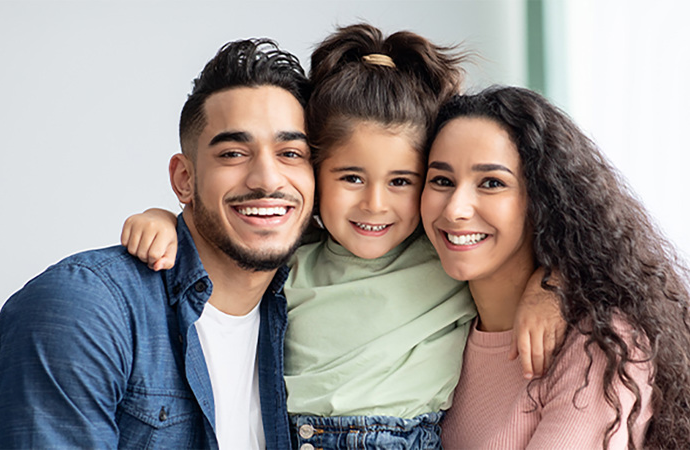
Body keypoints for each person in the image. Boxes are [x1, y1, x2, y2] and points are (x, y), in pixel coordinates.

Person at [122, 24, 564, 448]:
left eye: (401, 181)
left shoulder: (442, 257)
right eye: (352, 178)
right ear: (314, 176)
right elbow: (219, 249)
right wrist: (163, 218)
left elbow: (536, 251)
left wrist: (548, 288)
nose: (375, 204)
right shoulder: (290, 258)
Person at [0, 39, 314, 449]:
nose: (267, 179)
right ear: (184, 179)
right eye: (233, 153)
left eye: (290, 153)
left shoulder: (313, 311)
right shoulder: (84, 310)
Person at [420, 86, 690, 449]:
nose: (455, 209)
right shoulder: (434, 325)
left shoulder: (601, 345)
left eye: (492, 183)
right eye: (441, 180)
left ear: (544, 199)